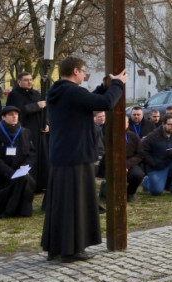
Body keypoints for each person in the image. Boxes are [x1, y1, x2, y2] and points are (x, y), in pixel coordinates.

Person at [41, 57, 127, 263]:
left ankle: (57, 247)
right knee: (75, 204)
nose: (84, 74)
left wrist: (103, 87)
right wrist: (118, 84)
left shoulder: (58, 90)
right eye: (83, 71)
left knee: (61, 203)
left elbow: (88, 101)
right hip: (76, 155)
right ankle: (72, 250)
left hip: (62, 154)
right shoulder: (72, 91)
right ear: (75, 71)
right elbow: (105, 103)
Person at [5, 72, 49, 193]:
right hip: (25, 130)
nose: (29, 82)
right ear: (19, 81)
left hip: (39, 130)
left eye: (31, 79)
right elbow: (17, 112)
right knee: (29, 157)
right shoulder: (14, 95)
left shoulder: (36, 93)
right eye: (26, 80)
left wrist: (46, 123)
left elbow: (45, 110)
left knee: (41, 156)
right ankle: (29, 184)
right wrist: (36, 106)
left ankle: (41, 184)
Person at [97, 116, 145, 203]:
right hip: (113, 164)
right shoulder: (109, 136)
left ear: (127, 124)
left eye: (124, 122)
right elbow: (105, 154)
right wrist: (118, 165)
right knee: (108, 196)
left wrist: (127, 164)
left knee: (138, 175)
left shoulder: (133, 137)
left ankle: (129, 193)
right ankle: (106, 189)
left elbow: (140, 154)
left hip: (129, 164)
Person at [142, 115, 172, 196]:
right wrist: (153, 163)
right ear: (163, 124)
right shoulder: (153, 136)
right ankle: (146, 181)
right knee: (157, 192)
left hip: (171, 164)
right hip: (157, 166)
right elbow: (143, 151)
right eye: (170, 124)